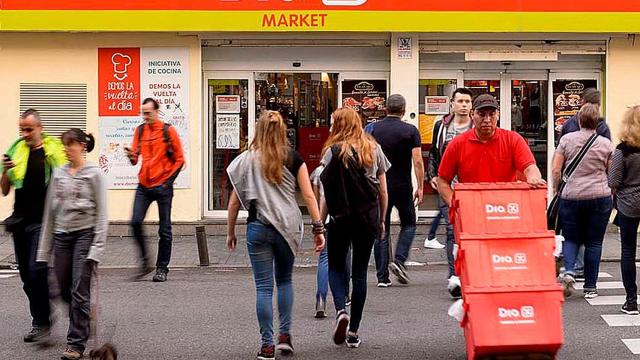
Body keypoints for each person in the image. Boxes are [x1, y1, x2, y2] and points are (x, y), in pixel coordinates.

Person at [226, 110, 325, 360]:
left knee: (263, 288)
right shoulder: (293, 158)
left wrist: (230, 232)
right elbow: (309, 196)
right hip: (287, 228)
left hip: (257, 227)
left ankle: (267, 345)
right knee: (284, 281)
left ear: (258, 130)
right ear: (283, 130)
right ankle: (284, 336)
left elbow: (235, 202)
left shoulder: (245, 160)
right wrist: (318, 228)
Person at [320, 107, 389, 348]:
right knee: (359, 273)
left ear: (338, 125)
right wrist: (381, 220)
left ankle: (341, 309)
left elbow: (327, 192)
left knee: (336, 267)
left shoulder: (332, 152)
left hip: (340, 217)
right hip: (367, 218)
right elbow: (382, 189)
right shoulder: (374, 148)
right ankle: (354, 331)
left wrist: (320, 222)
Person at [36, 129, 108, 360]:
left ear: (81, 146)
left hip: (84, 236)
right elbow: (49, 213)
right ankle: (83, 315)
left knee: (79, 290)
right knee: (64, 288)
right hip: (61, 236)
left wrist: (97, 248)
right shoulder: (59, 174)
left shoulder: (94, 174)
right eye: (64, 145)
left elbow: (102, 214)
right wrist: (43, 251)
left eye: (70, 145)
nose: (66, 150)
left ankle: (75, 344)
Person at [1, 109, 66, 343]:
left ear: (40, 128)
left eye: (29, 129)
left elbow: (64, 182)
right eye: (22, 129)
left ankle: (44, 317)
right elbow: (5, 189)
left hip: (43, 222)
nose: (25, 133)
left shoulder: (52, 152)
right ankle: (41, 321)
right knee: (27, 277)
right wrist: (6, 171)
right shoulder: (16, 151)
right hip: (20, 222)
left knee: (37, 269)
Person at [437, 93, 546, 206]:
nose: (487, 120)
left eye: (492, 114)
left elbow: (530, 167)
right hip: (471, 209)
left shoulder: (513, 139)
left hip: (506, 208)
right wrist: (453, 203)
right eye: (481, 114)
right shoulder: (457, 144)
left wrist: (534, 178)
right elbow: (442, 180)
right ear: (472, 114)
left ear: (498, 115)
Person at [552, 103, 612, 299]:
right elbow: (611, 172)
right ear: (597, 122)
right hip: (599, 196)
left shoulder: (567, 140)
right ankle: (591, 287)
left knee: (571, 237)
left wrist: (556, 189)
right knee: (594, 242)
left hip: (572, 196)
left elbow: (556, 169)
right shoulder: (605, 144)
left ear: (578, 120)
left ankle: (569, 271)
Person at [125, 97, 185, 282]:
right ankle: (145, 262)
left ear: (156, 112)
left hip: (163, 186)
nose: (145, 116)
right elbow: (135, 160)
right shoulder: (140, 130)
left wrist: (167, 182)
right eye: (143, 113)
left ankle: (162, 268)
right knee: (135, 222)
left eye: (148, 113)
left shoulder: (168, 131)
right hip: (144, 184)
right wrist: (131, 155)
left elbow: (180, 159)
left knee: (164, 230)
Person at [369, 94, 423, 286]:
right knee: (409, 224)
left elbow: (366, 155)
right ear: (404, 110)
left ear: (385, 108)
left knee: (381, 228)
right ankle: (399, 260)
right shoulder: (410, 130)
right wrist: (420, 187)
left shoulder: (373, 128)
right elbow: (417, 160)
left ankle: (382, 277)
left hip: (378, 185)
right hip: (403, 186)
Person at [426, 87, 474, 298]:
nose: (463, 105)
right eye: (460, 101)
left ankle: (471, 273)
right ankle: (454, 277)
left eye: (467, 102)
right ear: (452, 104)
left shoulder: (477, 126)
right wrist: (433, 176)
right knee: (451, 230)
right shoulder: (442, 126)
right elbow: (434, 153)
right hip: (448, 187)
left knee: (471, 232)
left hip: (472, 188)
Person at [608, 105, 640, 314]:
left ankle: (631, 301)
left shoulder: (622, 151)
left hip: (629, 203)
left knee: (628, 251)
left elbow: (613, 180)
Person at [310, 164, 351, 319]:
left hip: (323, 218)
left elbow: (314, 198)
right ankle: (345, 295)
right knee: (345, 256)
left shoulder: (319, 172)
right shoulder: (345, 168)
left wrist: (317, 223)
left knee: (324, 259)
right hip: (340, 217)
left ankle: (321, 298)